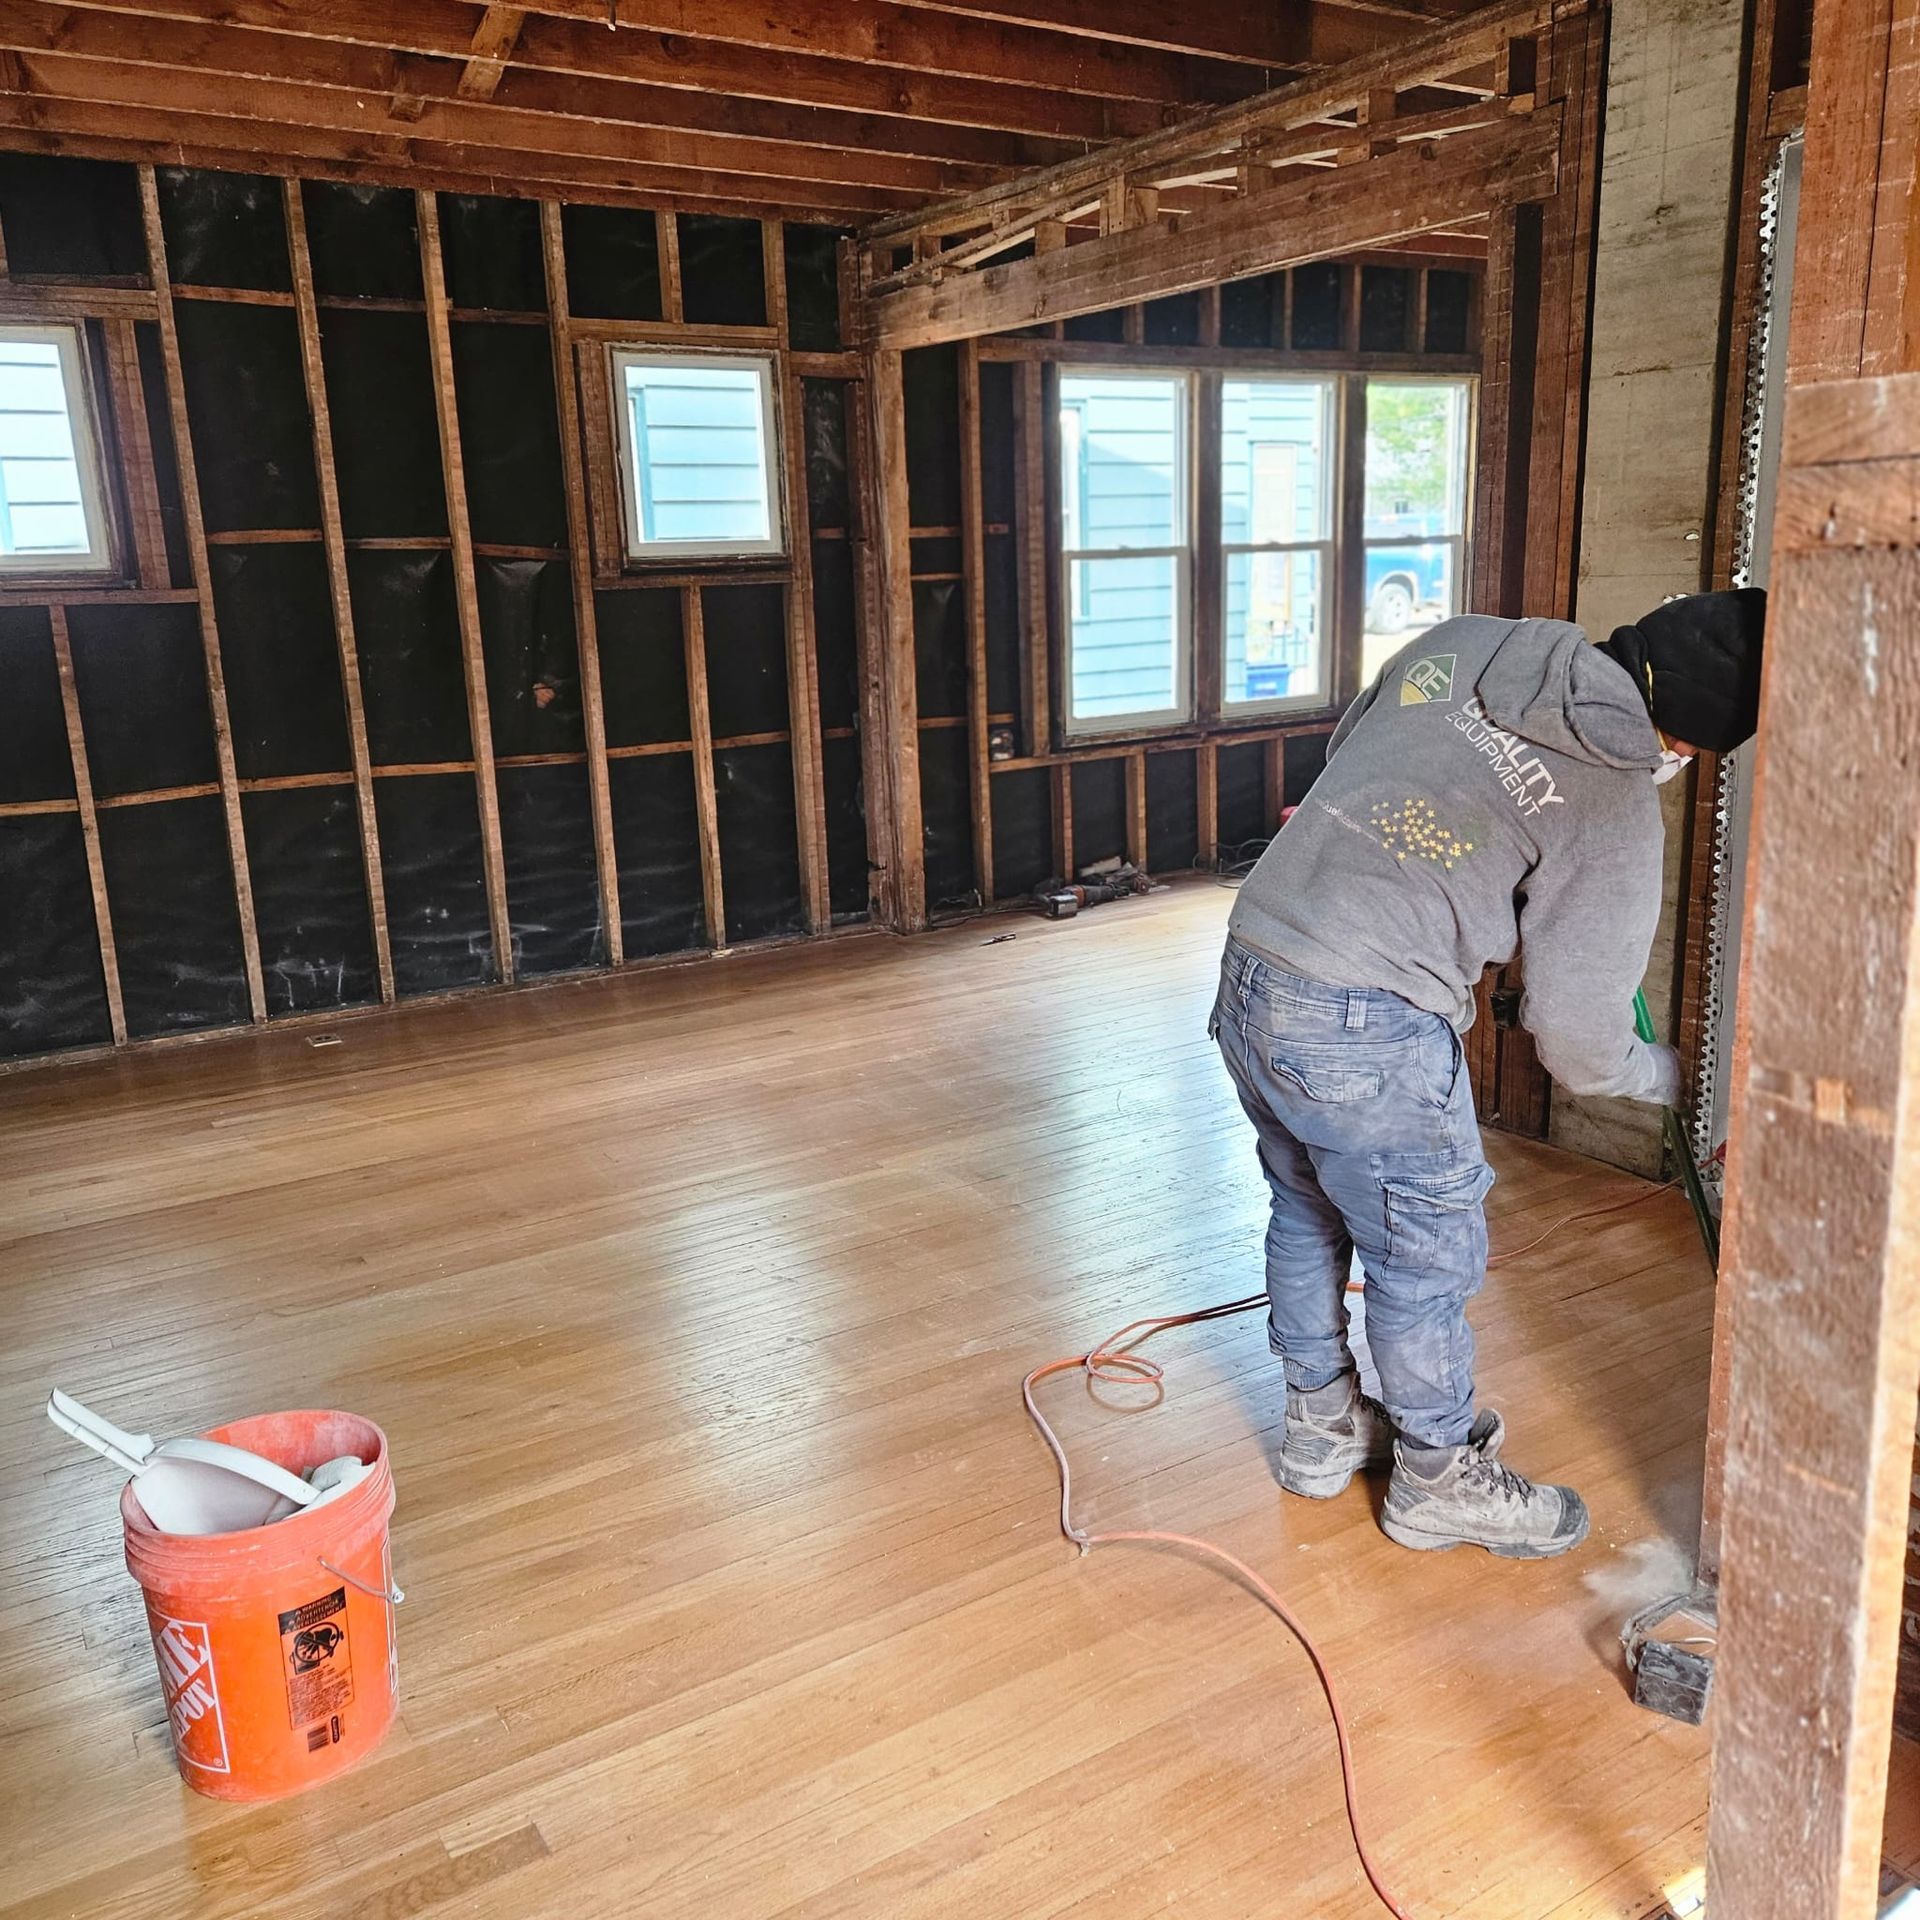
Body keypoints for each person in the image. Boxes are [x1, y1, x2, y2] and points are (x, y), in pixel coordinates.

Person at [1212, 589, 1767, 1557]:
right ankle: (1436, 1477)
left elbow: (1356, 752)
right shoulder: (1613, 807)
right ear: (1689, 743)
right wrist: (1682, 1081)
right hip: (1366, 1017)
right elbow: (1578, 1039)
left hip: (1259, 956)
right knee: (1422, 1258)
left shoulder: (1467, 642)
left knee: (1307, 1205)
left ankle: (1320, 1429)